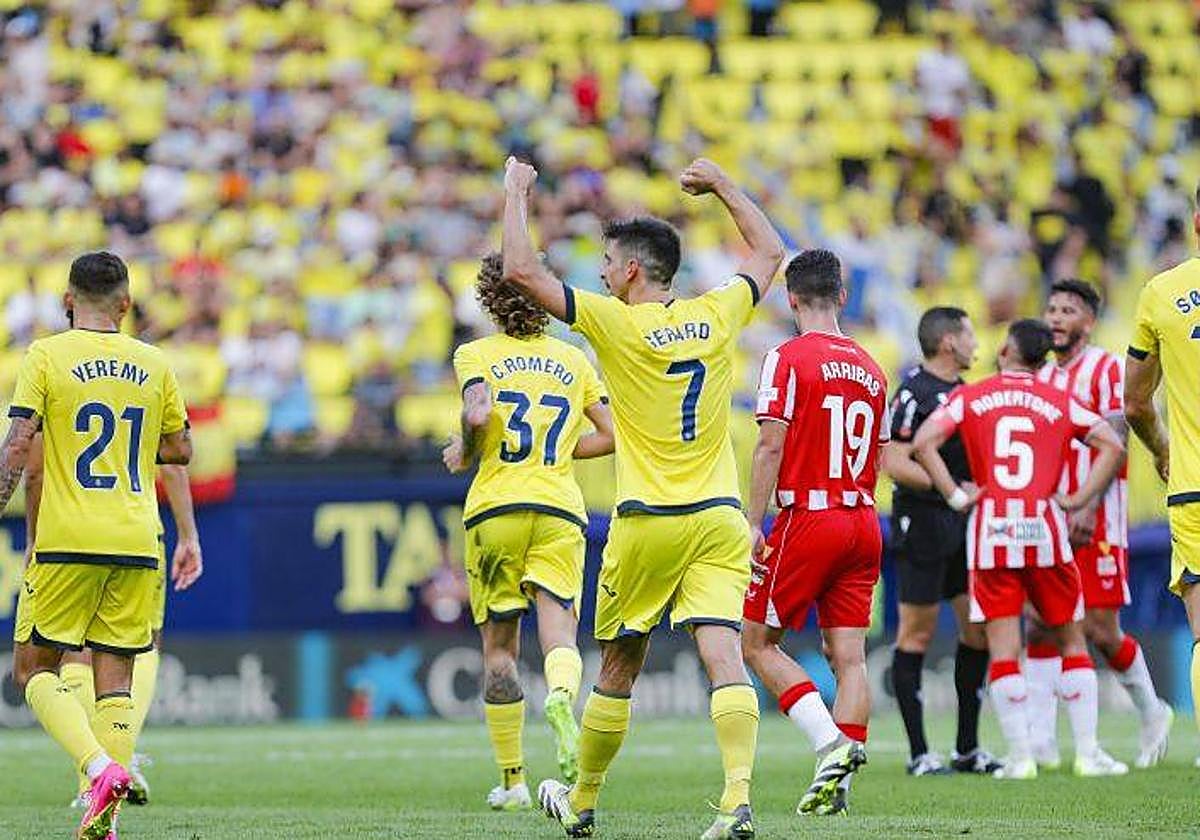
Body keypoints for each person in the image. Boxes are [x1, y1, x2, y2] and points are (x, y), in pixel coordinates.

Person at [501, 155, 784, 839]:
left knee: (620, 664)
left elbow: (520, 273)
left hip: (649, 520)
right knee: (723, 653)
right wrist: (721, 183)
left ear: (631, 270)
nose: (599, 271)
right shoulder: (718, 312)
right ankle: (737, 797)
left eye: (605, 261)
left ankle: (585, 799)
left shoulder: (613, 321)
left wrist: (514, 194)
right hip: (719, 518)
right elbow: (771, 249)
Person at [5, 251, 191, 839]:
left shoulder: (46, 355)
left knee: (33, 669)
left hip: (67, 539)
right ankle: (104, 818)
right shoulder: (154, 362)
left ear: (67, 302)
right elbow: (181, 450)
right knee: (117, 676)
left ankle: (97, 769)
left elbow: (17, 447)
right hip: (138, 537)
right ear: (126, 304)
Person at [912, 319, 1128, 780]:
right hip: (1046, 530)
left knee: (1004, 646)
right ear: (1043, 357)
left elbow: (924, 441)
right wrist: (1079, 497)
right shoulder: (1059, 399)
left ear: (1008, 348)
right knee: (1072, 638)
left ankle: (1021, 756)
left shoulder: (971, 396)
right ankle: (1088, 754)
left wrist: (954, 494)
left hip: (993, 532)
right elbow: (1111, 442)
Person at [442, 252, 614, 812]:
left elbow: (475, 415)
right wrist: (562, 451)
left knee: (499, 650)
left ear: (490, 301)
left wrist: (465, 452)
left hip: (496, 507)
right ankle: (562, 697)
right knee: (560, 634)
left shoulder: (476, 353)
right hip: (560, 506)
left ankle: (513, 780)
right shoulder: (574, 358)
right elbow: (612, 434)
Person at [739, 249, 888, 817]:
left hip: (810, 515)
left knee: (756, 643)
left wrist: (755, 521)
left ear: (790, 297)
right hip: (862, 518)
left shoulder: (787, 357)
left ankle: (829, 747)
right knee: (849, 657)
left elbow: (771, 441)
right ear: (843, 297)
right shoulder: (873, 367)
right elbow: (877, 452)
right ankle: (839, 793)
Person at [1027, 279, 1172, 770]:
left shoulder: (1107, 368)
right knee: (1040, 622)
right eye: (1051, 308)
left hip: (1098, 517)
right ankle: (1041, 742)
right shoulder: (1043, 377)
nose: (1056, 317)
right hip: (1051, 517)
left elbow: (1116, 437)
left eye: (1068, 309)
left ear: (1088, 322)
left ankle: (1154, 711)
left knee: (1099, 629)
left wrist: (1087, 506)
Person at [23, 431, 203, 809]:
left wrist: (32, 538)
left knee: (72, 657)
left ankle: (94, 776)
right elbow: (173, 457)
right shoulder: (149, 373)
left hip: (71, 536)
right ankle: (119, 758)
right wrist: (188, 534)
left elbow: (35, 470)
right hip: (138, 533)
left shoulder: (57, 375)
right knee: (139, 648)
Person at [881, 307, 1000, 776]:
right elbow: (893, 460)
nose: (976, 344)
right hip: (923, 523)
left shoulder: (964, 394)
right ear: (949, 341)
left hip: (962, 524)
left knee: (978, 629)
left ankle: (967, 749)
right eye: (970, 335)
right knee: (918, 632)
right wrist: (949, 489)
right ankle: (919, 754)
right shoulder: (913, 393)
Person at [1125, 184, 1200, 763]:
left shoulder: (1163, 292)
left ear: (1196, 224)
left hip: (1194, 483)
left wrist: (1161, 449)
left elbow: (1134, 402)